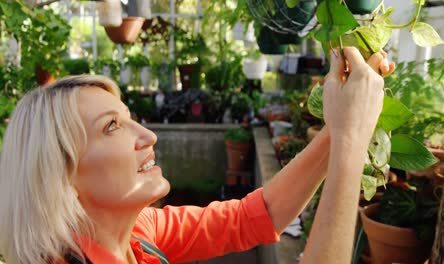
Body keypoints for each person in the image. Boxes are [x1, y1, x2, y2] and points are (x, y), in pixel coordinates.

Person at [0, 47, 394, 264]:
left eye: (130, 119)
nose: (148, 135)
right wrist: (350, 140)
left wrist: (339, 122)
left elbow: (255, 216)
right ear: (61, 175)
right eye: (112, 127)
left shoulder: (137, 234)